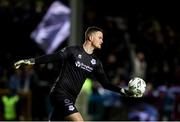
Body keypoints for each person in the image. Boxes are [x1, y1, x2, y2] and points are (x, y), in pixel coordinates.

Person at [14, 26, 137, 121]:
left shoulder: (96, 63)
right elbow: (53, 57)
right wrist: (31, 61)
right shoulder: (72, 51)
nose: (102, 41)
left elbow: (105, 84)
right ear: (90, 37)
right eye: (100, 37)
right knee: (78, 120)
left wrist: (123, 91)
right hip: (60, 93)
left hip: (71, 98)